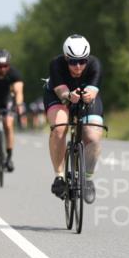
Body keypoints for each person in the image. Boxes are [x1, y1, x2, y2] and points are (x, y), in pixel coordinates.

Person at [45, 34, 105, 203]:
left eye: (82, 61)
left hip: (86, 97)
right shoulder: (56, 64)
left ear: (88, 59)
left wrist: (87, 95)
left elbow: (93, 91)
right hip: (60, 96)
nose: (78, 66)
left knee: (92, 137)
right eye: (72, 62)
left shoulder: (94, 64)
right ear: (66, 58)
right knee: (59, 128)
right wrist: (69, 95)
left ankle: (88, 177)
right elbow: (61, 92)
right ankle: (59, 176)